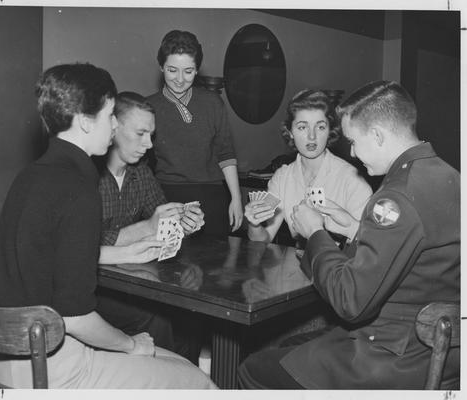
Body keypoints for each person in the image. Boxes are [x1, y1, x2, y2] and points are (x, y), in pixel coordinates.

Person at [0, 63, 216, 389]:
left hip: (4, 362)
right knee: (198, 381)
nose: (113, 126)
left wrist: (132, 253)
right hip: (55, 368)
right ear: (83, 120)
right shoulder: (79, 187)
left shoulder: (31, 176)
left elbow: (50, 259)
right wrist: (131, 345)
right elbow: (76, 317)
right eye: (110, 115)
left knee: (172, 360)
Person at [238, 81, 460, 389]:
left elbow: (351, 303)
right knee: (292, 347)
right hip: (441, 353)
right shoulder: (450, 176)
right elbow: (418, 247)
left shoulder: (396, 197)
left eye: (354, 141)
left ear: (378, 136)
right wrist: (354, 227)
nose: (353, 153)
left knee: (255, 368)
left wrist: (315, 232)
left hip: (392, 358)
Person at [96, 91, 205, 362]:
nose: (148, 144)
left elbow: (162, 217)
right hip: (92, 289)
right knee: (158, 316)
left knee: (190, 312)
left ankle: (185, 380)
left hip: (132, 282)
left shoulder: (140, 171)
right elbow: (87, 243)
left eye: (151, 136)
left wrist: (183, 222)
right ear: (113, 128)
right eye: (140, 133)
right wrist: (148, 226)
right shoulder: (87, 175)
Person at [147, 30, 243, 237]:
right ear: (161, 67)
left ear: (197, 70)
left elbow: (225, 154)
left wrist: (236, 199)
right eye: (172, 70)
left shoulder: (213, 103)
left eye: (188, 71)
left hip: (212, 196)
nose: (180, 79)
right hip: (165, 197)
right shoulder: (148, 107)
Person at [244, 89, 372, 244]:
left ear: (330, 130)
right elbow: (264, 239)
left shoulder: (353, 180)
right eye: (302, 127)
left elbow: (368, 246)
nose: (312, 137)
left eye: (320, 127)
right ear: (290, 132)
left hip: (340, 264)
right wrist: (254, 224)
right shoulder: (281, 178)